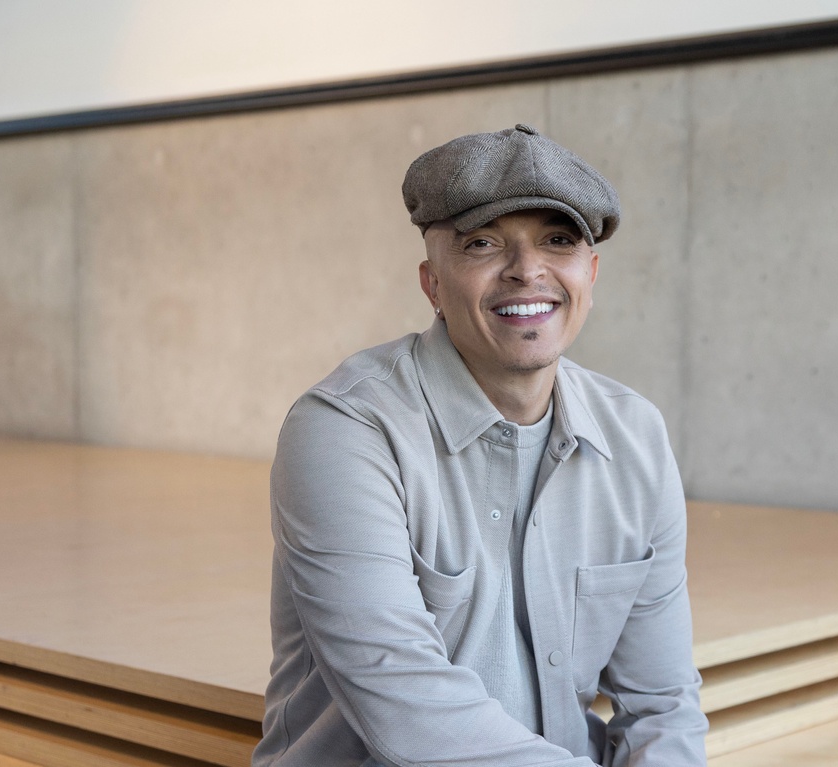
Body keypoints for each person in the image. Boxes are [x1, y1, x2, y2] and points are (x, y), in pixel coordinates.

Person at [253, 124, 708, 766]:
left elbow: (663, 704)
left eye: (558, 240)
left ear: (591, 272)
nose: (528, 271)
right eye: (483, 243)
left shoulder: (634, 435)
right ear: (432, 283)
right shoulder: (345, 431)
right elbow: (408, 711)